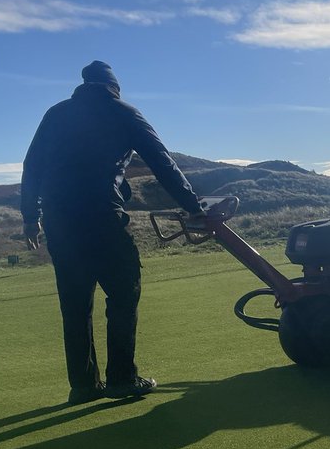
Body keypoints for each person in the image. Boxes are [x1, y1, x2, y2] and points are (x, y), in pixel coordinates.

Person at [21, 60, 203, 405]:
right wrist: (193, 205)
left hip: (60, 222)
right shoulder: (123, 111)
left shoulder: (56, 114)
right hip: (102, 216)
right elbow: (162, 161)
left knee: (75, 305)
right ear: (114, 87)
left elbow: (31, 166)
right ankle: (122, 378)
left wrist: (30, 218)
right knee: (123, 293)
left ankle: (84, 386)